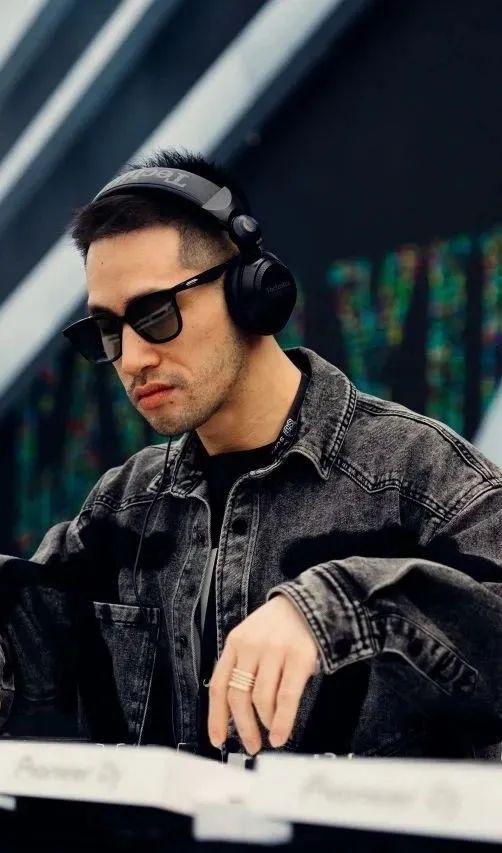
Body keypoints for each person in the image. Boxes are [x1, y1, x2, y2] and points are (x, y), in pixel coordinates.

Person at [1, 148, 502, 762]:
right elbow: (29, 650)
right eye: (108, 330)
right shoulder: (123, 508)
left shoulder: (419, 479)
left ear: (251, 292)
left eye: (155, 314)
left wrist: (341, 607)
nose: (132, 358)